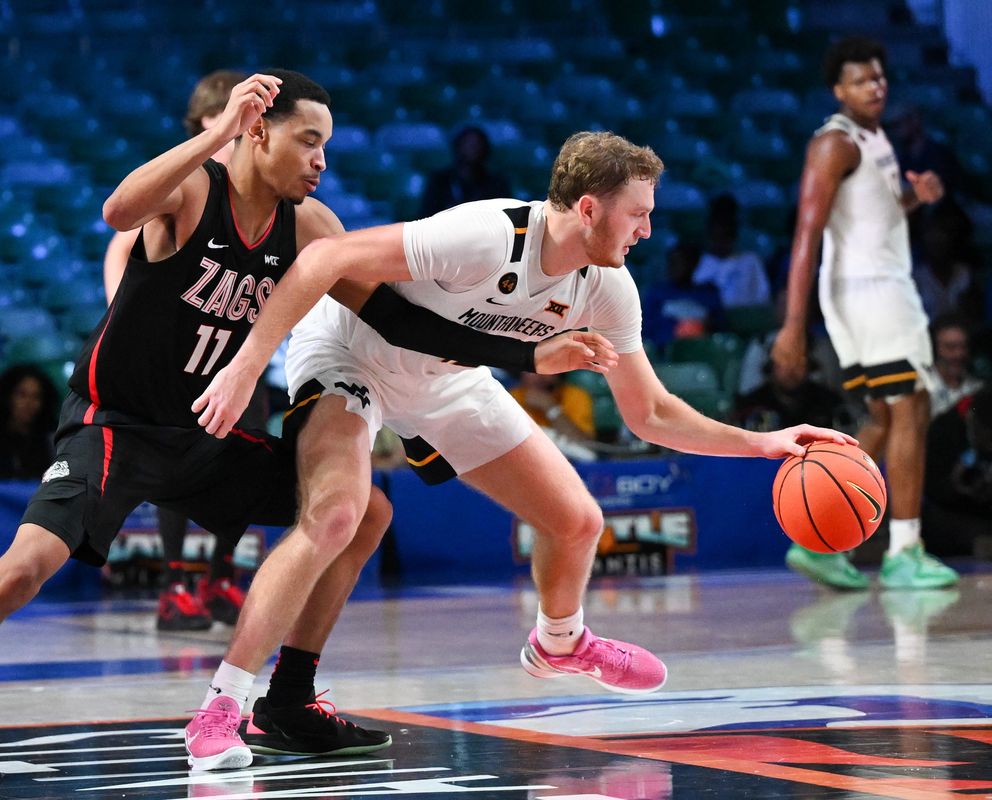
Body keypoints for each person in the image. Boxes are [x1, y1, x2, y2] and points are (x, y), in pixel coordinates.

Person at [0, 70, 606, 791]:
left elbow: (397, 319)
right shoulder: (192, 191)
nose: (322, 160)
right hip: (119, 429)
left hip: (207, 434)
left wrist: (527, 350)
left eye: (328, 145)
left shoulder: (310, 225)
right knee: (20, 571)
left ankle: (290, 698)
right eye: (308, 140)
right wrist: (216, 136)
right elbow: (115, 212)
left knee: (364, 511)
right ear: (259, 134)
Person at [191, 130, 856, 770]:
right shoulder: (485, 234)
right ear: (590, 207)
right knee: (339, 514)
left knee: (577, 521)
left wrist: (762, 443)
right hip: (351, 354)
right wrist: (249, 365)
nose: (647, 231)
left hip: (447, 378)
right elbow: (326, 259)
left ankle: (560, 643)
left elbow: (648, 412)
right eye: (639, 214)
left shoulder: (604, 288)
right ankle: (224, 703)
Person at [771, 36, 958, 591]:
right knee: (912, 406)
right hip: (872, 291)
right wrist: (791, 326)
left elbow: (871, 218)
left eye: (878, 77)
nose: (874, 87)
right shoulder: (834, 143)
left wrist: (913, 200)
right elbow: (808, 231)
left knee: (879, 417)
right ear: (838, 90)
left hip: (865, 288)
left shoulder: (871, 137)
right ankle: (905, 550)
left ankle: (818, 546)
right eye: (860, 80)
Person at [102, 69, 251, 631]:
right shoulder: (189, 176)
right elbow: (121, 239)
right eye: (229, 119)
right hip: (176, 355)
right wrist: (135, 320)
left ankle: (218, 577)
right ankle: (173, 583)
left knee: (237, 458)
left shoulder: (261, 193)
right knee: (174, 465)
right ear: (207, 122)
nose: (243, 130)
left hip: (234, 351)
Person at [923, 387, 992, 556]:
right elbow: (933, 490)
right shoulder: (943, 431)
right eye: (988, 438)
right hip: (950, 513)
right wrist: (959, 487)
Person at [0, 364, 59, 480]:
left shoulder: (52, 447)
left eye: (36, 396)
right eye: (22, 395)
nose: (29, 403)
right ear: (8, 397)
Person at [691, 193, 771, 309]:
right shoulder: (700, 263)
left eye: (725, 235)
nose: (720, 242)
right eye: (716, 236)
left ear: (734, 234)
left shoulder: (750, 262)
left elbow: (762, 299)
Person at [641, 240, 725, 349]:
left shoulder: (709, 294)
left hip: (702, 351)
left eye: (679, 262)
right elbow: (647, 332)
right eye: (671, 262)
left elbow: (720, 330)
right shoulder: (656, 294)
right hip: (666, 353)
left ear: (693, 264)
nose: (673, 268)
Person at [419, 125, 512, 217]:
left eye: (477, 144)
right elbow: (428, 215)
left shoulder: (497, 183)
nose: (473, 149)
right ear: (458, 147)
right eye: (468, 144)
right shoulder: (439, 181)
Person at [927, 315, 982, 419]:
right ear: (935, 349)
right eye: (950, 347)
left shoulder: (978, 389)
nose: (959, 354)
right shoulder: (922, 389)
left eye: (963, 346)